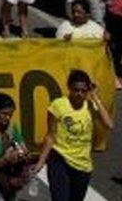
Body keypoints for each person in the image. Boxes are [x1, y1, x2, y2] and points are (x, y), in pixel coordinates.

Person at [35, 70, 115, 201]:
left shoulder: (91, 106)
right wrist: (41, 162)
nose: (79, 94)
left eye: (84, 91)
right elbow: (50, 136)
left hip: (83, 164)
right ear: (69, 88)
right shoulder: (58, 105)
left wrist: (95, 98)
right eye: (76, 90)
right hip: (60, 160)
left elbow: (109, 125)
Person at [101, 0, 122, 88]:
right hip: (114, 12)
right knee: (110, 42)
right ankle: (113, 73)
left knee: (120, 45)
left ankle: (117, 73)